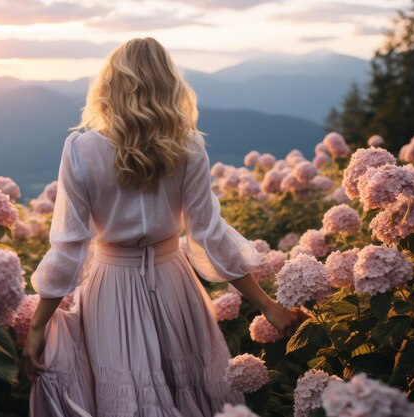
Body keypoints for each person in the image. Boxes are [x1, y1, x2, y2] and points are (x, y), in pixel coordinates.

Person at [22, 37, 306, 417]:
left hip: (111, 289)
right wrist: (268, 306)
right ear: (169, 85)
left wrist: (39, 324)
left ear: (110, 85)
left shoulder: (81, 150)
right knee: (189, 390)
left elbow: (70, 246)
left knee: (126, 393)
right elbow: (208, 234)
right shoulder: (187, 147)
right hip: (175, 283)